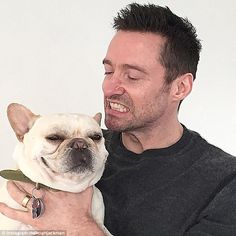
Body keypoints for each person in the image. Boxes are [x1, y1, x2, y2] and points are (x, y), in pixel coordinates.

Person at [1, 3, 236, 235]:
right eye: (108, 72)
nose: (111, 87)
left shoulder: (224, 181)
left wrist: (80, 226)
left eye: (132, 76)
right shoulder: (83, 146)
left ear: (180, 87)